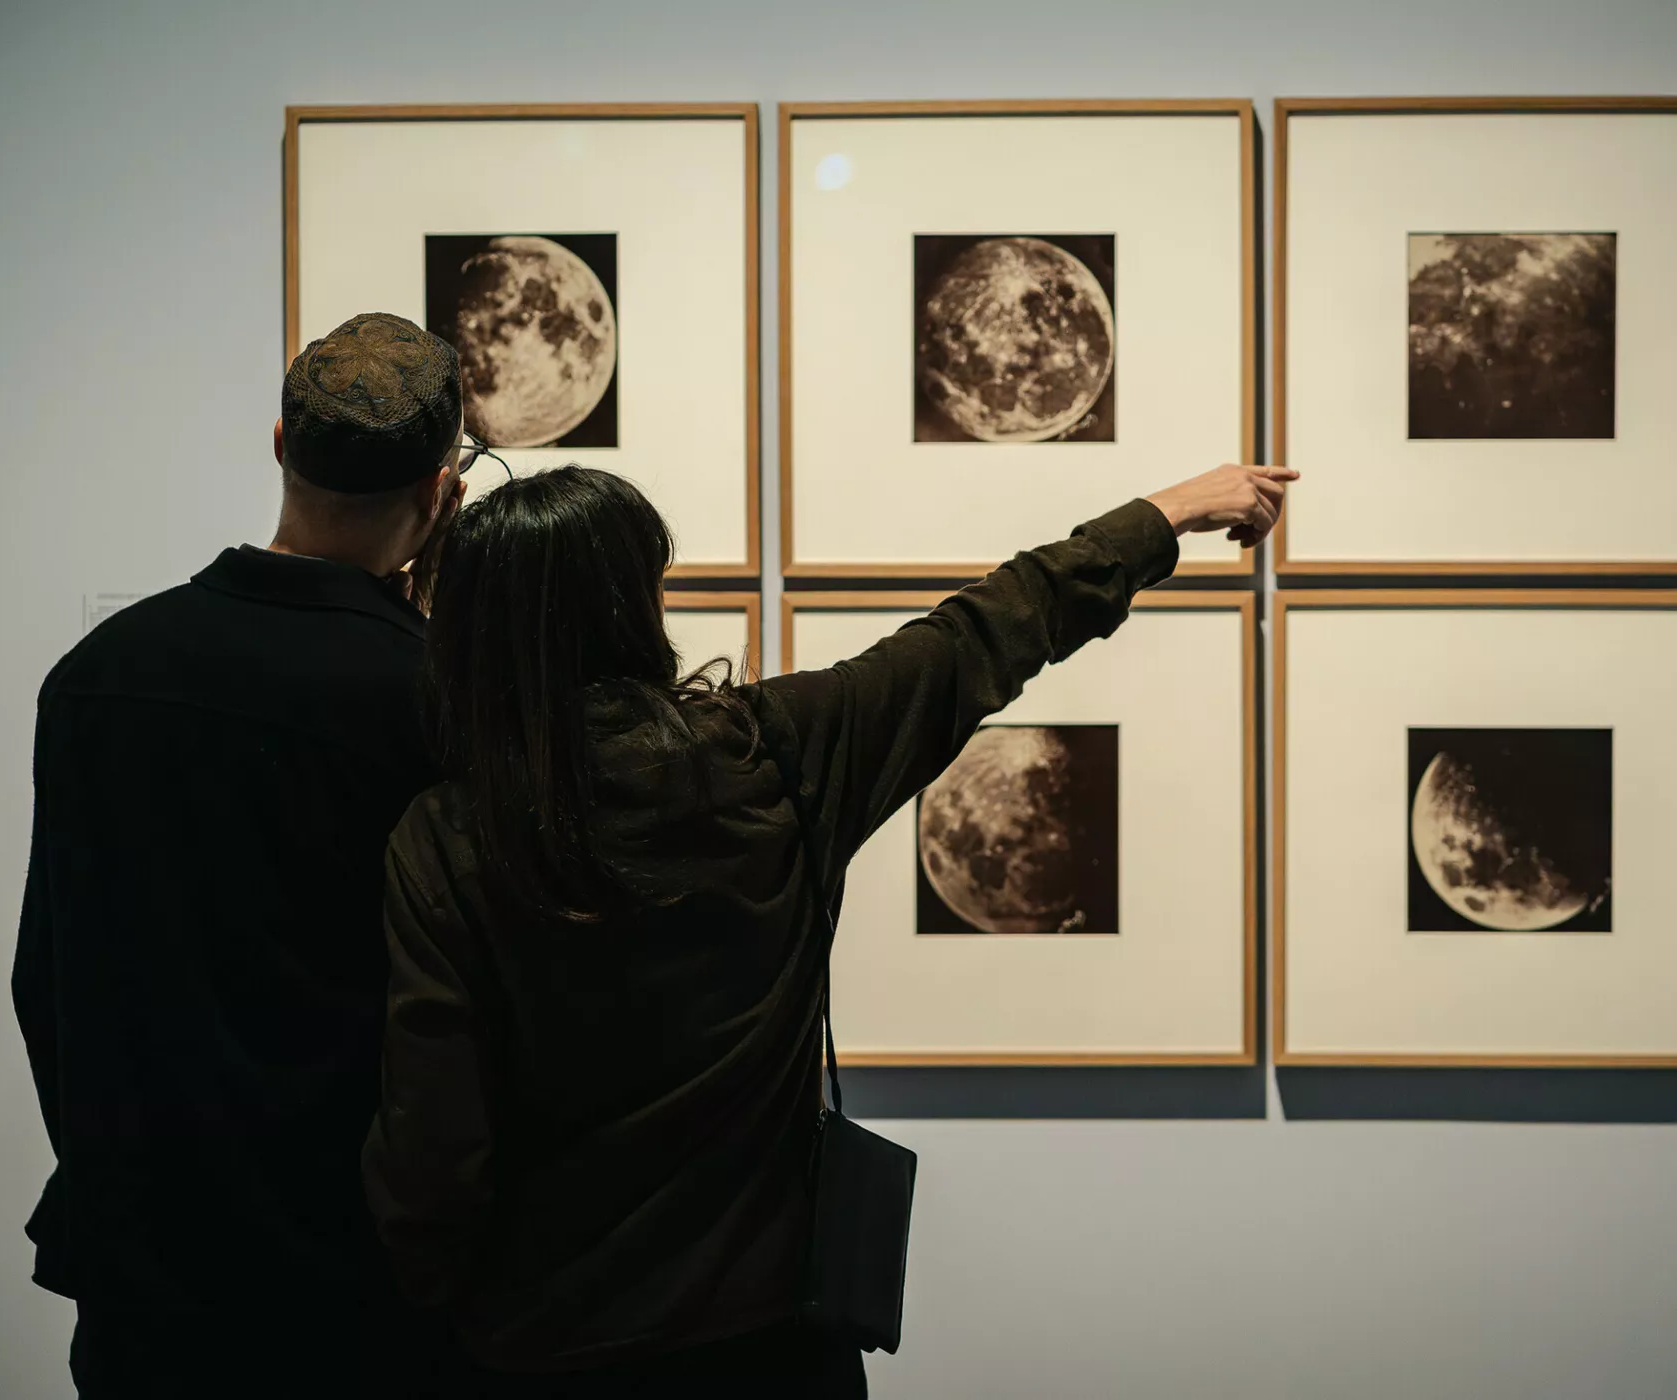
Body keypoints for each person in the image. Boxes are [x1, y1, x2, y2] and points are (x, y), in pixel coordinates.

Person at [362, 460, 1297, 1394]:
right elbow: (991, 629)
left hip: (545, 1349)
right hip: (773, 1340)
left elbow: (435, 1151)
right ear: (633, 607)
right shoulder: (779, 752)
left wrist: (435, 1301)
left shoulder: (448, 839)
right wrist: (1171, 512)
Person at [13, 312, 483, 1396]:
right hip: (357, 1306)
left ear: (280, 445)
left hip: (147, 1291)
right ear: (443, 488)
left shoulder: (98, 674)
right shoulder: (435, 703)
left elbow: (50, 978)